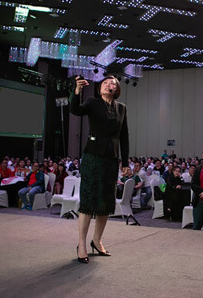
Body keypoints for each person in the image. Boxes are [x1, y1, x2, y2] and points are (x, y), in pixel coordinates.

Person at [70, 75, 129, 264]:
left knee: (105, 201)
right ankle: (81, 244)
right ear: (100, 88)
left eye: (112, 83)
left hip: (111, 159)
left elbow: (124, 136)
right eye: (105, 82)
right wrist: (77, 91)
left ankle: (97, 240)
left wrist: (125, 162)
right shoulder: (92, 103)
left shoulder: (121, 108)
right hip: (93, 156)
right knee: (88, 199)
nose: (108, 85)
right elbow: (75, 110)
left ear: (116, 89)